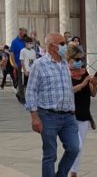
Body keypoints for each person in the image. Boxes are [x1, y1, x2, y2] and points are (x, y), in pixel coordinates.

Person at [24, 32, 80, 177]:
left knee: (74, 148)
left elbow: (67, 88)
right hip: (48, 115)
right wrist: (34, 117)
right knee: (50, 154)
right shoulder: (39, 65)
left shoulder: (64, 64)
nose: (65, 46)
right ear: (51, 46)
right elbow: (31, 91)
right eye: (62, 44)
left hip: (68, 116)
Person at [66, 46, 97, 177]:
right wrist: (84, 84)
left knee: (79, 147)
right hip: (70, 115)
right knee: (76, 146)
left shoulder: (84, 73)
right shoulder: (65, 73)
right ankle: (68, 170)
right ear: (70, 59)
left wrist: (94, 84)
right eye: (77, 59)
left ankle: (74, 172)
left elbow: (92, 93)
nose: (80, 62)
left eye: (81, 59)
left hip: (84, 116)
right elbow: (69, 90)